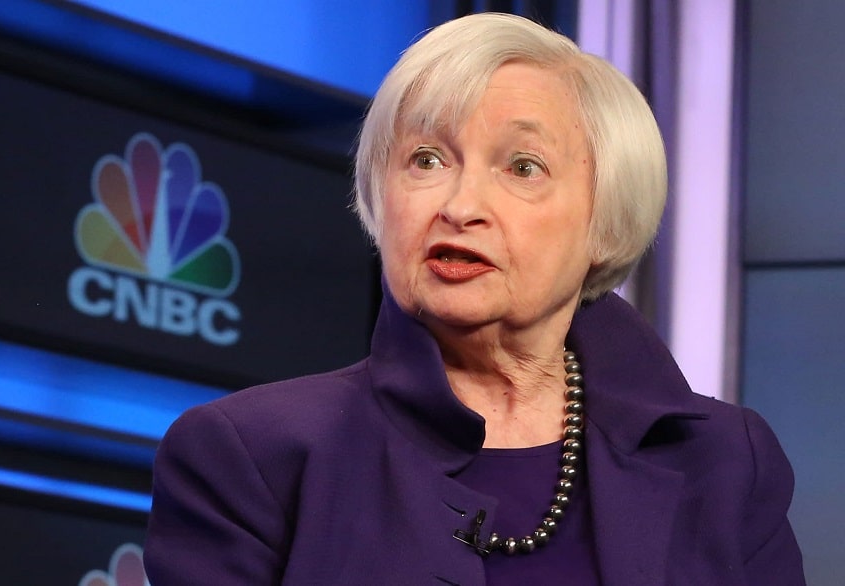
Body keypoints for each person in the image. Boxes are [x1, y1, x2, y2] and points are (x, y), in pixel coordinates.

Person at [144, 12, 805, 585]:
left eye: (522, 167)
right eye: (426, 160)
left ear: (605, 222)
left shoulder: (727, 462)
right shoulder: (251, 455)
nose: (460, 206)